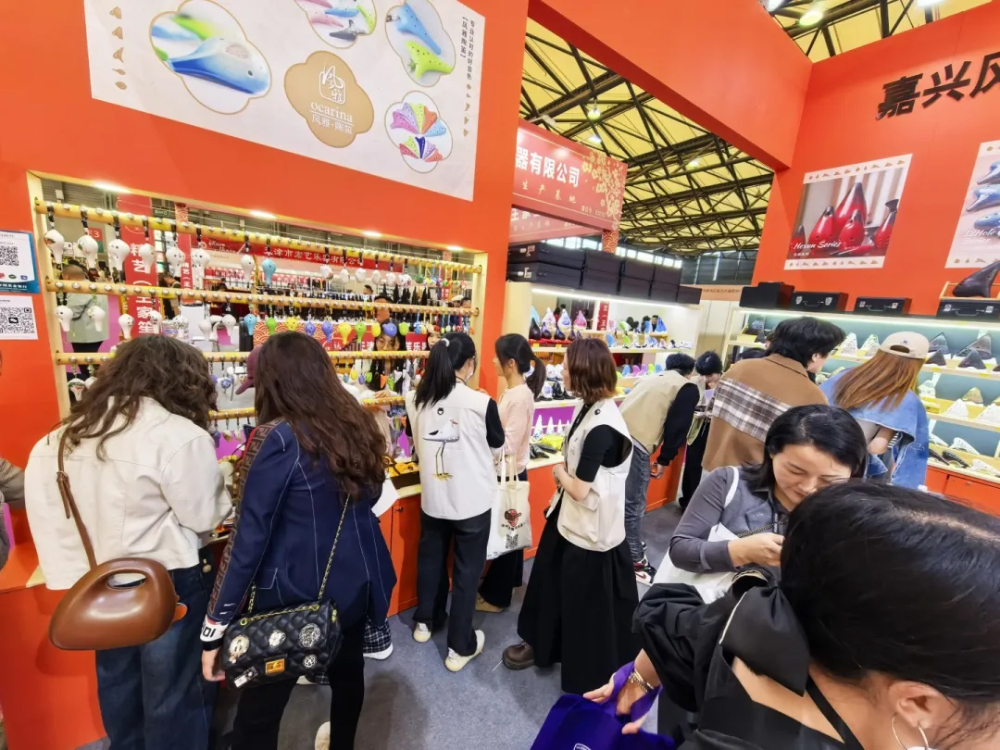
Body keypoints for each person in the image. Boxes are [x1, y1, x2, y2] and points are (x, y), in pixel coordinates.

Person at [588, 483, 1000, 750]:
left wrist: (641, 678)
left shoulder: (760, 614)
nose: (805, 485)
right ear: (920, 703)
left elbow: (670, 618)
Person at [24, 336, 231, 750]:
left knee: (118, 688)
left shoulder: (58, 439)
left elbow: (48, 514)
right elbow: (205, 516)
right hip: (169, 580)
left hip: (98, 585)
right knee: (175, 693)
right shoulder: (177, 435)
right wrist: (224, 483)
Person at [200, 332, 395, 750]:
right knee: (348, 674)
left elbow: (247, 539)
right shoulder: (356, 422)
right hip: (356, 580)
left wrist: (215, 625)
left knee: (260, 710)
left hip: (294, 593)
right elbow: (373, 494)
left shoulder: (277, 437)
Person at [503, 338, 639, 695]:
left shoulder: (604, 427)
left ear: (582, 372)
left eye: (565, 366)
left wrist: (559, 473)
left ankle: (587, 672)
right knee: (547, 584)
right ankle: (541, 644)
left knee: (582, 602)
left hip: (590, 528)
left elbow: (580, 488)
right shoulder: (587, 406)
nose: (560, 370)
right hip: (568, 517)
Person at [661, 405, 867, 598]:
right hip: (697, 611)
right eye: (796, 471)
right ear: (771, 451)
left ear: (853, 474)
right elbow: (681, 550)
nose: (808, 487)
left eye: (828, 480)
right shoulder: (728, 484)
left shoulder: (849, 516)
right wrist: (740, 551)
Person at [404, 332, 505, 672]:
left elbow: (412, 438)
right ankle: (459, 647)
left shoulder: (415, 398)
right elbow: (498, 447)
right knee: (466, 573)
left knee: (430, 560)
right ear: (470, 363)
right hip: (472, 502)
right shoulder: (481, 403)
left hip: (433, 498)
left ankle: (425, 621)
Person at [704, 317, 844, 473]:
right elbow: (805, 453)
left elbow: (711, 412)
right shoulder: (812, 396)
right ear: (816, 354)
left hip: (713, 469)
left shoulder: (739, 368)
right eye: (829, 352)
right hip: (756, 479)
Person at [477, 333, 546, 613]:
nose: (493, 361)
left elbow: (508, 445)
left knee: (507, 534)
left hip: (509, 474)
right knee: (511, 532)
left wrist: (485, 423)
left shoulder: (519, 397)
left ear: (511, 363)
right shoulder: (515, 392)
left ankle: (497, 597)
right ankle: (509, 583)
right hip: (511, 472)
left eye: (498, 357)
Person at [619, 352, 700, 584]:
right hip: (636, 443)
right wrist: (665, 459)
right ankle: (634, 560)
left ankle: (624, 543)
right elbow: (678, 427)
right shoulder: (686, 387)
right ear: (689, 372)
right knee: (634, 505)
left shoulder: (649, 378)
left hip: (614, 433)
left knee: (620, 498)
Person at [821, 332, 930, 489]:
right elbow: (876, 447)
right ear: (919, 364)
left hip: (817, 449)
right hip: (849, 467)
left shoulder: (844, 377)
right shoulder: (904, 399)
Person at [680, 352, 724, 508]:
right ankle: (688, 500)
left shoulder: (727, 385)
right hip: (697, 428)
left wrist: (711, 414)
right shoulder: (694, 382)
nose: (706, 379)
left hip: (717, 430)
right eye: (703, 375)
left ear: (719, 371)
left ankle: (713, 504)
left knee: (716, 468)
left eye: (710, 375)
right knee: (692, 464)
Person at [61, 261, 109, 379]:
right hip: (95, 331)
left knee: (87, 364)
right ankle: (100, 382)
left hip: (85, 334)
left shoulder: (78, 288)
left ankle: (97, 384)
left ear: (66, 276)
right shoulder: (93, 286)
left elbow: (72, 312)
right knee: (91, 362)